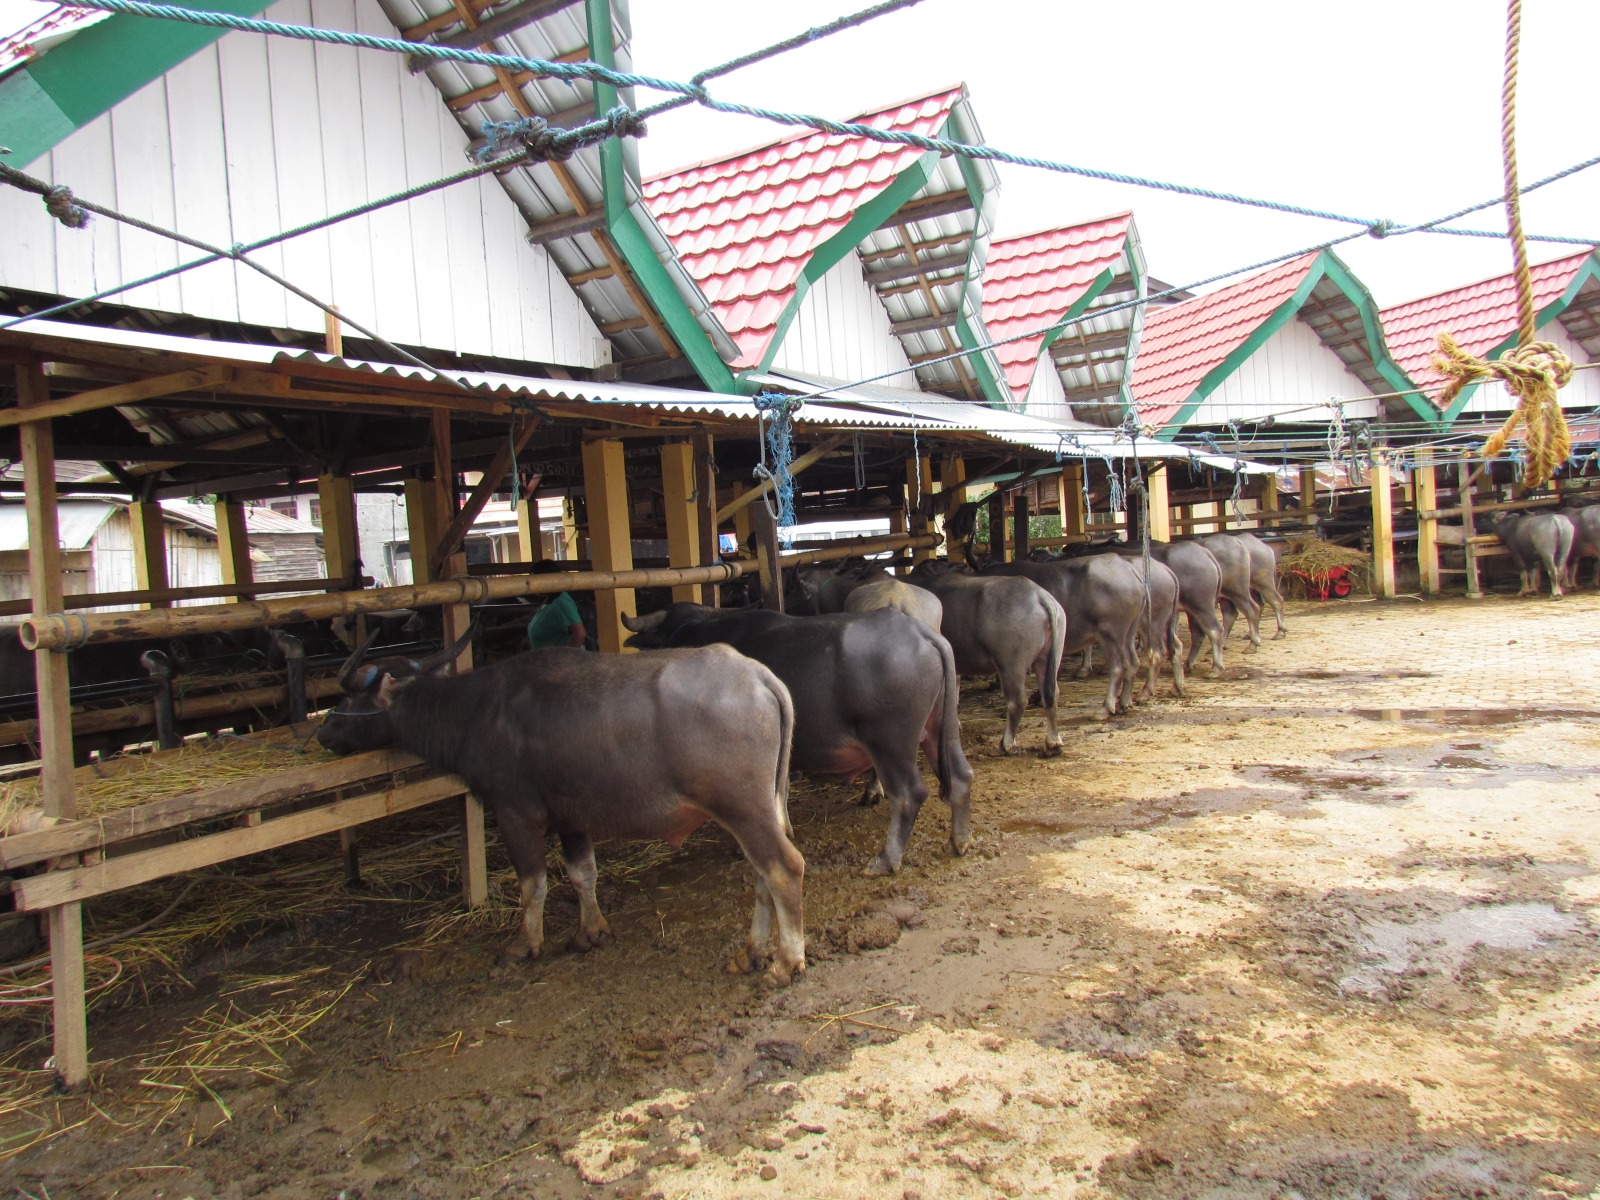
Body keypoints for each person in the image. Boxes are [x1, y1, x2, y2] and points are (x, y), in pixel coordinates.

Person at [525, 563, 588, 650]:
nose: (533, 585)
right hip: (546, 660)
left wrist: (564, 659)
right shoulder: (548, 601)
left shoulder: (561, 601)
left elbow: (580, 633)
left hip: (558, 661)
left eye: (536, 580)